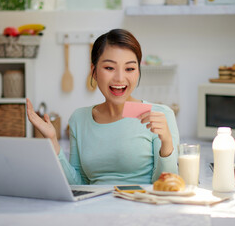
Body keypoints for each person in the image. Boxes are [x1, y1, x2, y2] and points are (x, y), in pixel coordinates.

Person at [27, 29, 179, 185]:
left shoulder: (160, 115)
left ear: (138, 71)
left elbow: (167, 187)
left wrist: (166, 143)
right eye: (109, 68)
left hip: (141, 206)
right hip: (92, 208)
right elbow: (79, 185)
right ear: (94, 71)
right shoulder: (80, 119)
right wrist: (52, 141)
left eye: (129, 68)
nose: (120, 78)